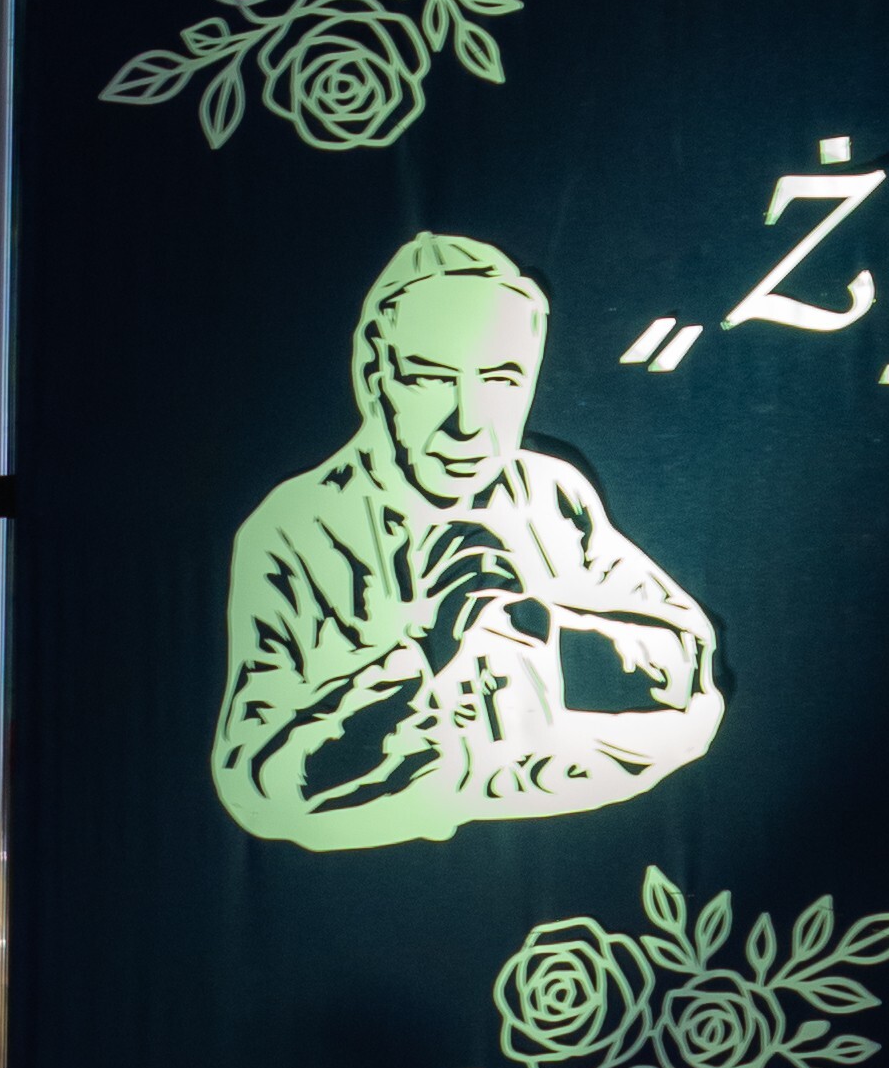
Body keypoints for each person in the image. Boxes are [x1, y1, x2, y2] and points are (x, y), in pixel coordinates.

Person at [213, 234, 722, 847]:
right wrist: (418, 658)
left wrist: (548, 625)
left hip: (587, 834)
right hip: (402, 870)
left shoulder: (549, 493)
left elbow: (688, 664)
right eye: (431, 379)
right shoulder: (296, 531)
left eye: (502, 379)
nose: (469, 421)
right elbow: (259, 788)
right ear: (374, 377)